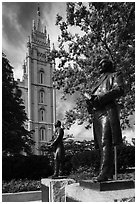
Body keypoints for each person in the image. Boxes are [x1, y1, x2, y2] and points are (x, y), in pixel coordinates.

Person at [85, 57, 124, 182]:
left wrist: (100, 98)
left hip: (107, 111)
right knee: (101, 145)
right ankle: (107, 172)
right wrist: (90, 102)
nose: (100, 65)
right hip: (97, 113)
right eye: (99, 64)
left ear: (109, 65)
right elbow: (93, 98)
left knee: (105, 141)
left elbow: (119, 89)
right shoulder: (97, 81)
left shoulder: (115, 75)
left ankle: (104, 172)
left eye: (103, 63)